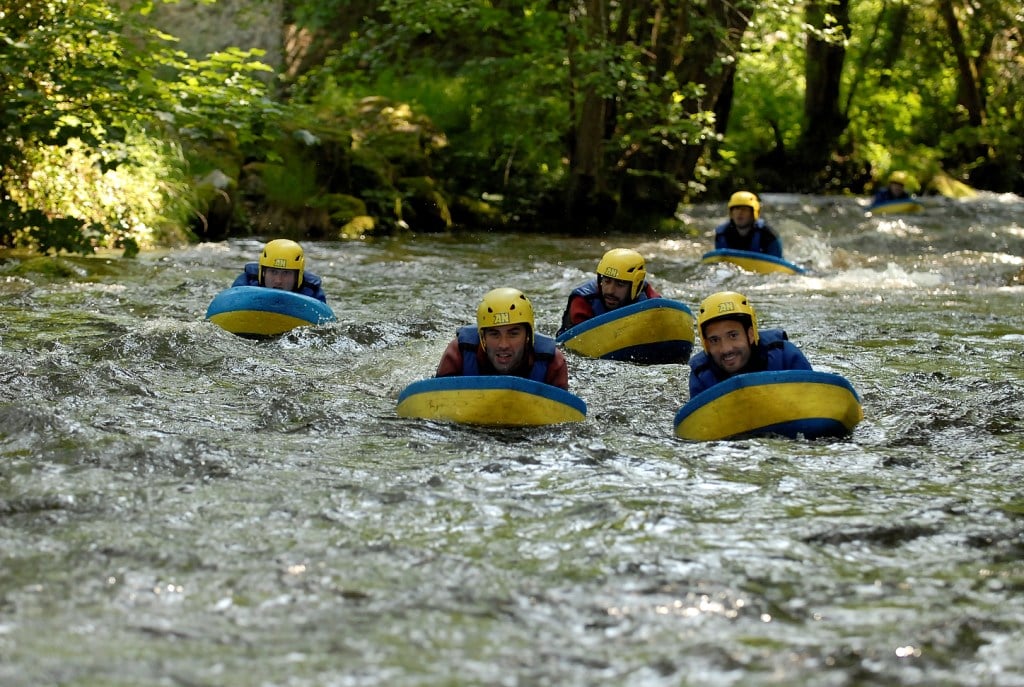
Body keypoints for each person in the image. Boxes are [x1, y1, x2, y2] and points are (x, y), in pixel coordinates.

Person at [436, 287, 570, 390]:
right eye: (494, 334)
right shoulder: (459, 353)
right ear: (482, 337)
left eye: (513, 334)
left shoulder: (552, 362)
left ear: (528, 336)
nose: (503, 345)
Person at [688, 291, 812, 397]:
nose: (726, 349)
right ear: (706, 345)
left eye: (733, 335)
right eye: (714, 340)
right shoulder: (701, 375)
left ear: (751, 335)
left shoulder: (786, 355)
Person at [557, 248, 661, 334]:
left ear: (636, 285)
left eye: (620, 284)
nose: (610, 291)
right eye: (606, 281)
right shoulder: (584, 301)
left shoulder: (650, 300)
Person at [232, 239, 327, 303]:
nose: (278, 280)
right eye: (273, 272)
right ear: (263, 273)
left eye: (286, 273)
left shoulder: (312, 293)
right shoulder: (246, 283)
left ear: (298, 276)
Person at [714, 191, 783, 258]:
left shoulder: (768, 235)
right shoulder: (722, 234)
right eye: (736, 209)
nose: (739, 213)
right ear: (731, 213)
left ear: (753, 213)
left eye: (744, 209)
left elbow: (777, 263)